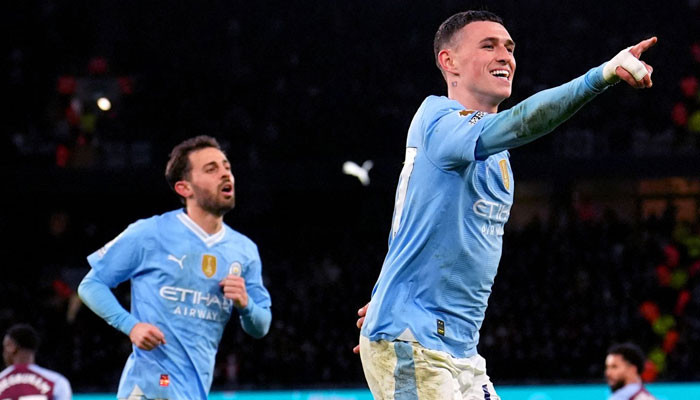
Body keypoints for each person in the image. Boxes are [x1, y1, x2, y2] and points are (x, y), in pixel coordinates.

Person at [356, 10, 657, 399]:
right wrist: (599, 76)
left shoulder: (498, 156)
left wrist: (389, 298)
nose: (505, 56)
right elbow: (523, 121)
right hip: (417, 342)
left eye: (510, 48)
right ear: (449, 61)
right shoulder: (438, 119)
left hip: (459, 350)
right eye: (489, 46)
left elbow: (424, 221)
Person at [78, 135, 272, 400]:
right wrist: (131, 326)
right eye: (211, 169)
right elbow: (91, 285)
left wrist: (246, 304)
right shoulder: (150, 232)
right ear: (184, 188)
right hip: (150, 387)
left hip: (194, 390)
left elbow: (261, 326)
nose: (225, 174)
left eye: (226, 167)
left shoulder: (244, 250)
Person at [1, 324, 72, 400]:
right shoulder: (56, 382)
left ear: (11, 346)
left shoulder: (1, 379)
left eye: (5, 347)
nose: (3, 353)